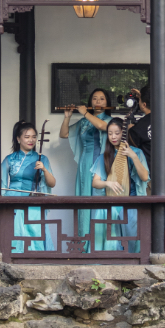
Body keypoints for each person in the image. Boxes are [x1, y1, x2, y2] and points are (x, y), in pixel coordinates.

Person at [90, 117, 148, 252]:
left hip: (131, 202)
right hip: (112, 201)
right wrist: (107, 183)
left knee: (131, 231)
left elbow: (144, 177)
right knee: (104, 217)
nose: (113, 137)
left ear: (123, 133)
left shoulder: (137, 152)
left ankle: (131, 257)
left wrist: (133, 156)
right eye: (110, 133)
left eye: (117, 133)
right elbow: (95, 182)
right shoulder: (105, 156)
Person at [59, 88, 111, 238]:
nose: (98, 101)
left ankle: (97, 242)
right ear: (90, 102)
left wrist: (85, 113)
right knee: (83, 198)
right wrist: (67, 117)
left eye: (102, 98)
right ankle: (83, 239)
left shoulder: (109, 120)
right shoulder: (83, 122)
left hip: (101, 163)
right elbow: (64, 134)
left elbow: (101, 126)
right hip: (84, 163)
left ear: (107, 102)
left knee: (97, 200)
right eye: (94, 98)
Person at [1, 121, 56, 253]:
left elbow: (52, 183)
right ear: (18, 139)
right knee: (15, 232)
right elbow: (1, 184)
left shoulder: (41, 159)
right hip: (12, 201)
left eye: (34, 137)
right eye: (27, 137)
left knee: (35, 232)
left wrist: (44, 169)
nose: (31, 140)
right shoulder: (9, 159)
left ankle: (36, 258)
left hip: (33, 200)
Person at [128, 85, 165, 196]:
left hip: (154, 181)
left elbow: (132, 144)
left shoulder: (140, 126)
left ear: (144, 104)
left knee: (150, 208)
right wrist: (144, 97)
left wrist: (129, 129)